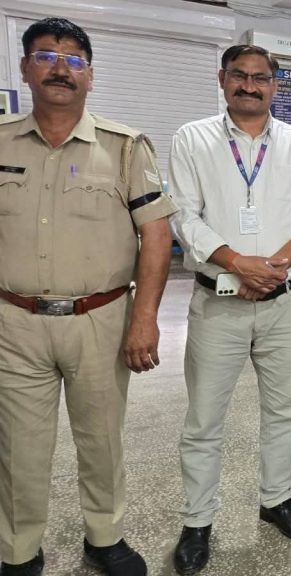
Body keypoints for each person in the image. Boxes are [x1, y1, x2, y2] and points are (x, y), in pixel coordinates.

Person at [0, 17, 176, 576]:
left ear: (91, 76)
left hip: (99, 319)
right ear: (25, 68)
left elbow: (156, 235)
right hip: (13, 322)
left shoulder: (124, 148)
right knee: (17, 446)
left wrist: (144, 318)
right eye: (46, 56)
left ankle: (105, 537)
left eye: (75, 59)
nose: (61, 68)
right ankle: (18, 549)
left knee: (101, 439)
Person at [168, 44, 291, 574]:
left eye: (260, 77)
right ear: (222, 79)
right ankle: (198, 520)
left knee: (287, 410)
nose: (249, 85)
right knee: (204, 417)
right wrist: (240, 263)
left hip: (287, 301)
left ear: (274, 85)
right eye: (239, 75)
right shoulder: (192, 138)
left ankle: (276, 499)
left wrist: (275, 266)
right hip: (219, 302)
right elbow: (184, 217)